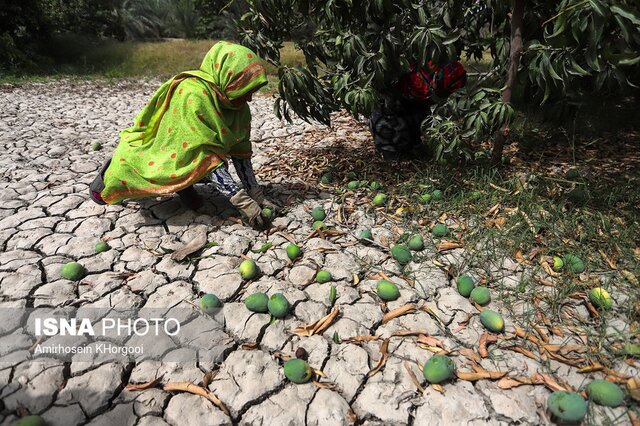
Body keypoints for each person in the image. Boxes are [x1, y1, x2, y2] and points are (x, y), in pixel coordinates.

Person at [89, 41, 270, 228]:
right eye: (245, 90)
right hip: (166, 148)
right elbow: (204, 156)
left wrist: (255, 193)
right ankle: (106, 179)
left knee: (195, 161)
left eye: (252, 91)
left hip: (187, 154)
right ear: (228, 78)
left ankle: (185, 188)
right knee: (133, 172)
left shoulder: (238, 107)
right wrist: (242, 201)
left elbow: (241, 152)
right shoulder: (194, 94)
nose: (248, 98)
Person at [369, 60, 467, 160]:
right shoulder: (415, 72)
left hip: (415, 104)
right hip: (394, 100)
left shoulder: (447, 74)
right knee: (385, 120)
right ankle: (393, 150)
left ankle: (412, 145)